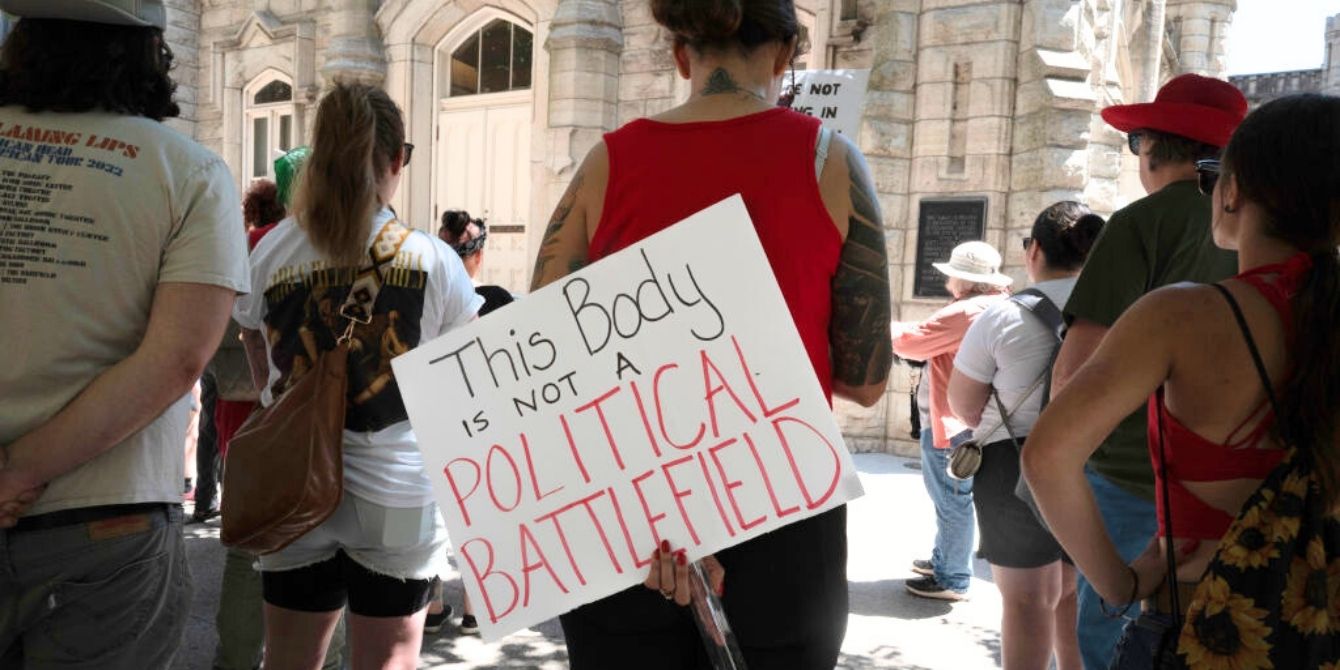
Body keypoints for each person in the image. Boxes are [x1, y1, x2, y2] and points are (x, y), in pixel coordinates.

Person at [528, 0, 893, 665]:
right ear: (786, 55)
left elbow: (544, 364)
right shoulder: (831, 162)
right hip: (786, 506)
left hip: (630, 516)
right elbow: (866, 381)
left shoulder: (605, 165)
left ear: (678, 53)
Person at [1026, 93, 1340, 668]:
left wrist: (1118, 584)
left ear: (1233, 189)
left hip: (1206, 617)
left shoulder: (1179, 316)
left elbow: (1047, 457)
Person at [0, 1, 249, 667]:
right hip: (107, 516)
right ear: (149, 55)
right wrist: (20, 469)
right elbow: (177, 359)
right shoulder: (188, 172)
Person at [232, 82, 481, 669]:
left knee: (288, 661)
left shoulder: (271, 250)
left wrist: (286, 400)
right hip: (398, 484)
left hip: (291, 480)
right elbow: (463, 375)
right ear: (395, 161)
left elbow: (250, 336)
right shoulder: (433, 258)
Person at [1046, 73, 1246, 669]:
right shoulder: (1261, 236)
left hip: (1136, 478)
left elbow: (1075, 377)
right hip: (1237, 480)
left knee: (1118, 643)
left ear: (1149, 146)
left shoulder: (1140, 223)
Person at [947, 202, 1104, 669]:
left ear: (1034, 250)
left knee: (1025, 600)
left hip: (1013, 466)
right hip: (1092, 463)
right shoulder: (1120, 312)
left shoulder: (1001, 318)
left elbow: (964, 405)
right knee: (1074, 591)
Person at [891, 240, 1012, 601]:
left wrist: (876, 322)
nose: (947, 284)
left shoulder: (966, 311)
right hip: (977, 422)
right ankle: (944, 559)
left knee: (950, 498)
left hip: (951, 424)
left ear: (964, 281)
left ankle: (952, 577)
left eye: (951, 277)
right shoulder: (997, 304)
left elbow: (911, 342)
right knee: (954, 497)